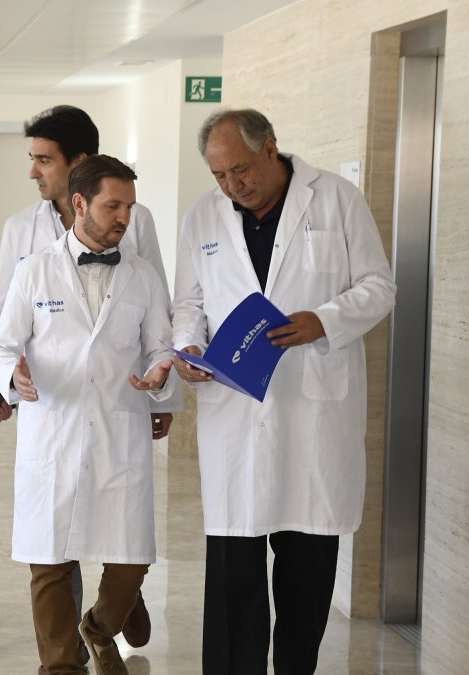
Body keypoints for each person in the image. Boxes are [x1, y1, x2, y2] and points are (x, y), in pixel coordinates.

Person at [172, 108, 396, 675]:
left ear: (271, 148)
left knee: (306, 575)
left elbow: (378, 285)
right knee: (232, 575)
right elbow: (189, 304)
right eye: (219, 176)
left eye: (241, 170)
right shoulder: (204, 216)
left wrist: (326, 319)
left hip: (313, 414)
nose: (232, 186)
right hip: (235, 410)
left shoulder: (337, 199)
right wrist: (189, 347)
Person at [0, 104, 163, 658]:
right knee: (50, 556)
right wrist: (8, 377)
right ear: (80, 204)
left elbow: (162, 341)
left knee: (130, 552)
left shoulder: (142, 273)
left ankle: (103, 620)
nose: (124, 220)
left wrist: (162, 379)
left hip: (119, 423)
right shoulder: (33, 267)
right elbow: (1, 339)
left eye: (128, 208)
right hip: (53, 426)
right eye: (113, 207)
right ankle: (59, 665)